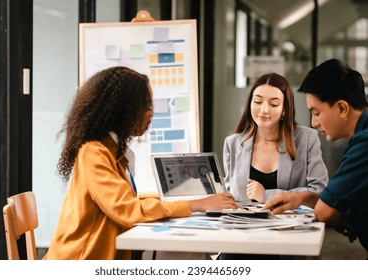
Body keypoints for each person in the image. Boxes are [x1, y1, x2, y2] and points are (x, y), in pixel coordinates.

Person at [43, 66, 237, 260]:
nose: (150, 114)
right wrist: (196, 204)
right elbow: (127, 210)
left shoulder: (112, 151)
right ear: (122, 109)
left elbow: (127, 202)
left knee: (190, 255)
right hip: (82, 260)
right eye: (145, 106)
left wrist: (188, 204)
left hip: (109, 255)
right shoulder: (94, 153)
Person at [263, 59, 368, 255]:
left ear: (342, 108)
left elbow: (323, 211)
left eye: (316, 113)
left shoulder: (364, 143)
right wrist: (301, 197)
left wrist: (339, 213)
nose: (314, 123)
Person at [223, 72, 328, 204]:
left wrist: (266, 195)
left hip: (290, 223)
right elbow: (229, 195)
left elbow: (319, 191)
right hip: (244, 223)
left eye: (274, 104)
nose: (264, 109)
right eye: (258, 101)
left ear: (285, 109)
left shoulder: (306, 139)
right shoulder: (232, 143)